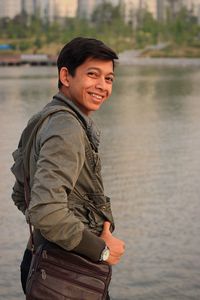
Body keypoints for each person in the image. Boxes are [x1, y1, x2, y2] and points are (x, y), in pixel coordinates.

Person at [11, 37, 125, 299]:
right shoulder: (67, 129)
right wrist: (101, 250)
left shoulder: (43, 119)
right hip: (69, 274)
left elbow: (22, 195)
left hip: (41, 263)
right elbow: (45, 210)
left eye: (109, 79)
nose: (102, 86)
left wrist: (48, 234)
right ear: (66, 75)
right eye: (92, 74)